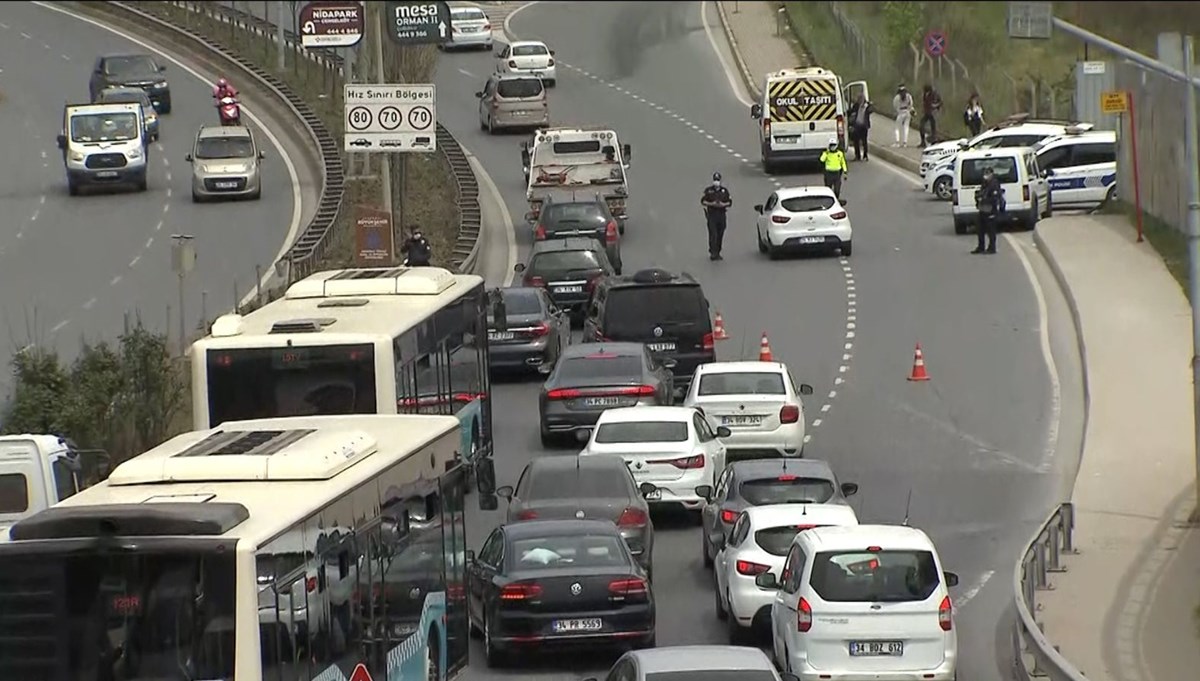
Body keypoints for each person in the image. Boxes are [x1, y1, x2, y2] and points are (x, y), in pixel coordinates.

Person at [700, 172, 732, 261]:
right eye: (715, 180)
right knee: (713, 234)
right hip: (712, 215)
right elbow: (703, 201)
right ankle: (713, 252)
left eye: (718, 180)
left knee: (720, 234)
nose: (716, 182)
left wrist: (722, 204)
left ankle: (718, 251)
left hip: (721, 215)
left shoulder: (724, 191)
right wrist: (712, 204)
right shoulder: (709, 191)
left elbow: (729, 203)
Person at [973, 166, 1004, 254]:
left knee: (991, 230)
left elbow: (995, 198)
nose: (985, 176)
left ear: (991, 174)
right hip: (982, 209)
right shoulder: (984, 183)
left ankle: (992, 248)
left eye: (987, 173)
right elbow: (981, 193)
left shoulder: (994, 184)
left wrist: (983, 199)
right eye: (984, 174)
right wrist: (978, 197)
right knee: (980, 229)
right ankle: (981, 247)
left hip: (991, 210)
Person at [847, 92, 875, 162]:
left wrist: (869, 105)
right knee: (856, 141)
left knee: (864, 141)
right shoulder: (856, 105)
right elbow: (850, 111)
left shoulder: (867, 106)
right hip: (857, 125)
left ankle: (865, 155)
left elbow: (871, 110)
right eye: (858, 99)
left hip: (864, 126)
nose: (859, 100)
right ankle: (857, 156)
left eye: (860, 99)